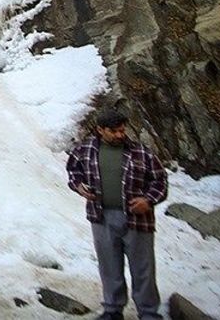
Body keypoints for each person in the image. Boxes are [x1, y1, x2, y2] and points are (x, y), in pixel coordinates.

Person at [66, 108, 168, 320]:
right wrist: (79, 186)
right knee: (109, 265)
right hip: (101, 216)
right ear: (100, 130)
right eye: (114, 131)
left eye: (122, 130)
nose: (120, 135)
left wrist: (148, 200)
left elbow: (160, 181)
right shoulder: (86, 150)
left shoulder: (141, 152)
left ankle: (148, 312)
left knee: (143, 268)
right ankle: (112, 309)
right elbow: (73, 170)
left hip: (137, 218)